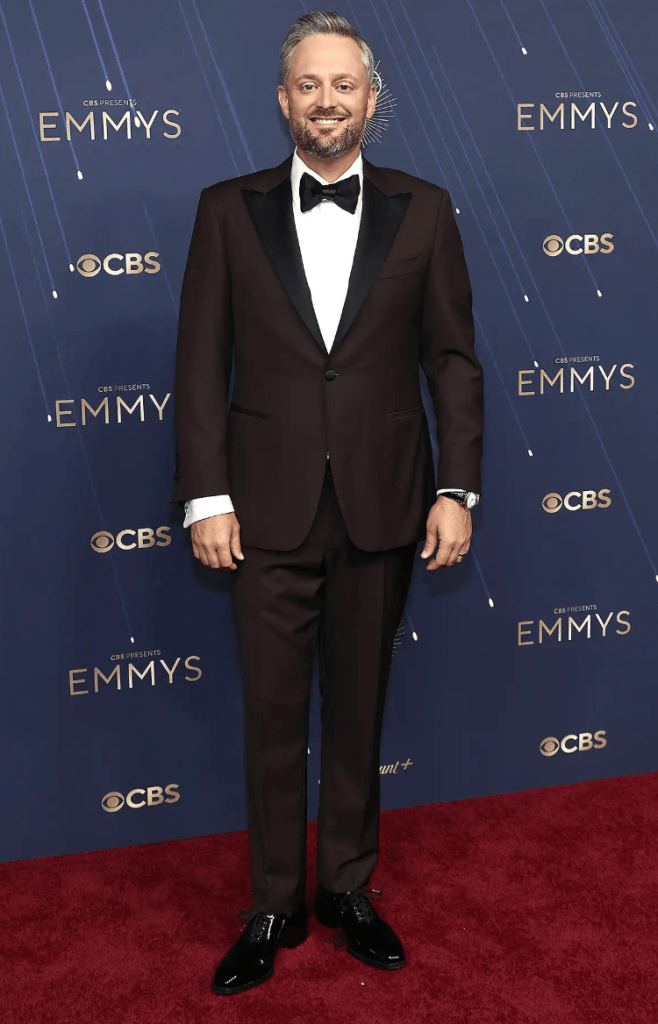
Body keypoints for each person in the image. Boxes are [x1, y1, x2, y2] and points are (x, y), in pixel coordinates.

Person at [172, 10, 483, 995]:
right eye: (308, 84)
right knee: (272, 716)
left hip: (384, 504)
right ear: (283, 99)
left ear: (370, 98)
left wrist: (455, 487)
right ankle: (274, 904)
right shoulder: (227, 210)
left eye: (343, 84)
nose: (326, 100)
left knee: (358, 711)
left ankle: (347, 887)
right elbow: (199, 365)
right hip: (261, 510)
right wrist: (206, 497)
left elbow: (452, 360)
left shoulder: (425, 210)